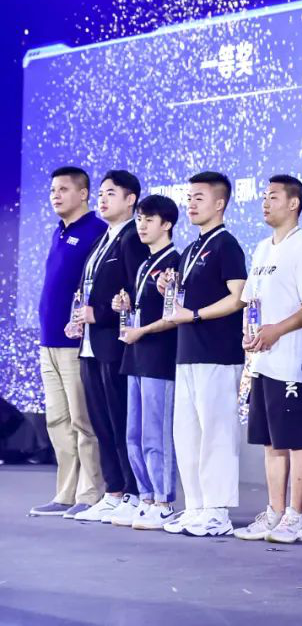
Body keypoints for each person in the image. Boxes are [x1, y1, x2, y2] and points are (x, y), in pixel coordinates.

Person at [234, 175, 302, 545]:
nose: (265, 203)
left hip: (291, 363)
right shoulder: (261, 249)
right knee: (271, 443)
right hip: (262, 363)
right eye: (264, 197)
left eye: (273, 197)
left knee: (296, 441)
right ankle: (274, 511)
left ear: (293, 203)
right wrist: (249, 333)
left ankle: (295, 517)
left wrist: (276, 331)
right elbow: (250, 301)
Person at [160, 171, 247, 538]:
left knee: (217, 433)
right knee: (187, 434)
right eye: (190, 197)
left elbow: (238, 297)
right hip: (188, 353)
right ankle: (196, 506)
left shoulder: (227, 245)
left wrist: (194, 315)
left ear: (220, 203)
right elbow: (181, 300)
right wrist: (167, 288)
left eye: (199, 197)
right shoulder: (191, 249)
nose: (191, 204)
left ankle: (217, 511)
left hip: (218, 353)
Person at [67, 170, 150, 524]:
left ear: (131, 200)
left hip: (115, 345)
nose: (102, 199)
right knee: (101, 423)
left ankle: (132, 491)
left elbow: (135, 293)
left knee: (120, 422)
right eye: (100, 193)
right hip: (90, 345)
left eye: (111, 193)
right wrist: (77, 317)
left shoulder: (132, 239)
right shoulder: (103, 238)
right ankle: (113, 491)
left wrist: (98, 313)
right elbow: (88, 287)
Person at [29, 166, 107, 518]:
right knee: (57, 421)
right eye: (52, 191)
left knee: (82, 420)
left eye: (63, 189)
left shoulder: (96, 231)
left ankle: (91, 492)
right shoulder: (59, 231)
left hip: (76, 342)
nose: (55, 196)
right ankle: (66, 492)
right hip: (48, 340)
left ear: (84, 193)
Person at [111, 194, 183, 529]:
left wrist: (142, 330)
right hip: (136, 355)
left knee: (157, 434)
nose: (141, 225)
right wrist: (124, 307)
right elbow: (142, 309)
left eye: (149, 219)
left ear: (166, 224)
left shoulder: (175, 262)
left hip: (159, 357)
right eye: (139, 218)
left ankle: (164, 500)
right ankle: (146, 497)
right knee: (134, 434)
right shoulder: (144, 264)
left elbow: (173, 316)